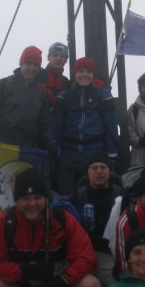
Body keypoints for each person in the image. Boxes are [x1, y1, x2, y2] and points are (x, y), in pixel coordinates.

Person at [53, 57, 118, 195]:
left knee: (91, 195)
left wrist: (112, 153)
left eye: (89, 72)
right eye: (81, 71)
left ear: (93, 75)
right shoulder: (64, 96)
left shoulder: (103, 95)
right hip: (69, 152)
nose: (85, 75)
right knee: (66, 194)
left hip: (94, 152)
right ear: (75, 73)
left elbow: (111, 125)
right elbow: (57, 125)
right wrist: (57, 149)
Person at [0, 45, 53, 149]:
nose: (32, 68)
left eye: (35, 65)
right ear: (21, 64)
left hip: (27, 149)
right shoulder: (4, 85)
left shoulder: (41, 92)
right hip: (1, 145)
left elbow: (46, 122)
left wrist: (50, 141)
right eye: (28, 64)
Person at [70, 152, 123, 287]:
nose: (99, 171)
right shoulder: (78, 196)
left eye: (103, 167)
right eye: (94, 168)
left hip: (112, 252)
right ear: (87, 172)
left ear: (109, 171)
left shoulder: (120, 195)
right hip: (86, 252)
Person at [36, 41, 71, 108]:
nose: (58, 59)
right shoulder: (37, 76)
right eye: (55, 55)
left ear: (66, 59)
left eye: (62, 56)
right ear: (48, 57)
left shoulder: (67, 83)